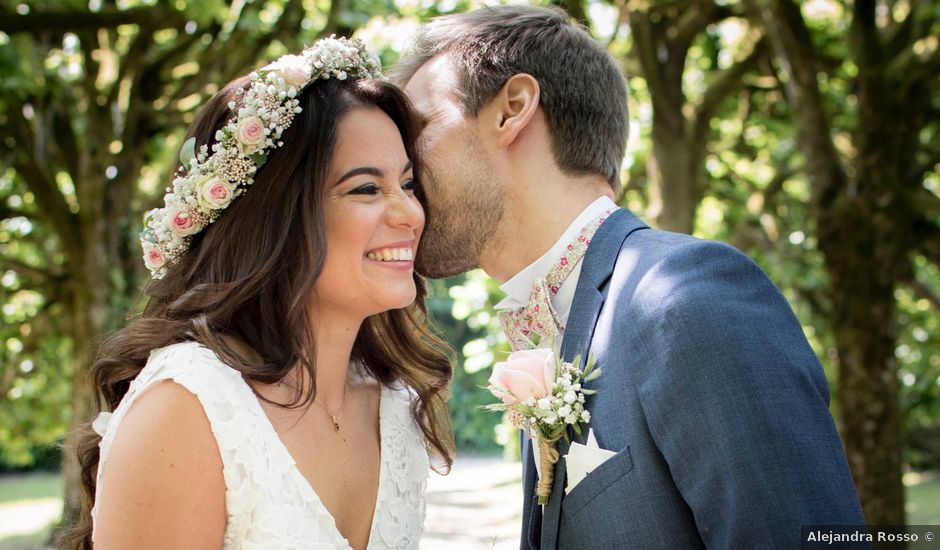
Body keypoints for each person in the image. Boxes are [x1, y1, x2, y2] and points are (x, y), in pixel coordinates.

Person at [393, 6, 867, 549]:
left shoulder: (685, 298)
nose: (401, 168)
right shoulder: (558, 331)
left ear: (513, 108)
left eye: (421, 127)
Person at [63, 37, 453, 550]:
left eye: (407, 184)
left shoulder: (392, 406)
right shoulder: (187, 409)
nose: (410, 213)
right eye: (365, 188)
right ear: (278, 220)